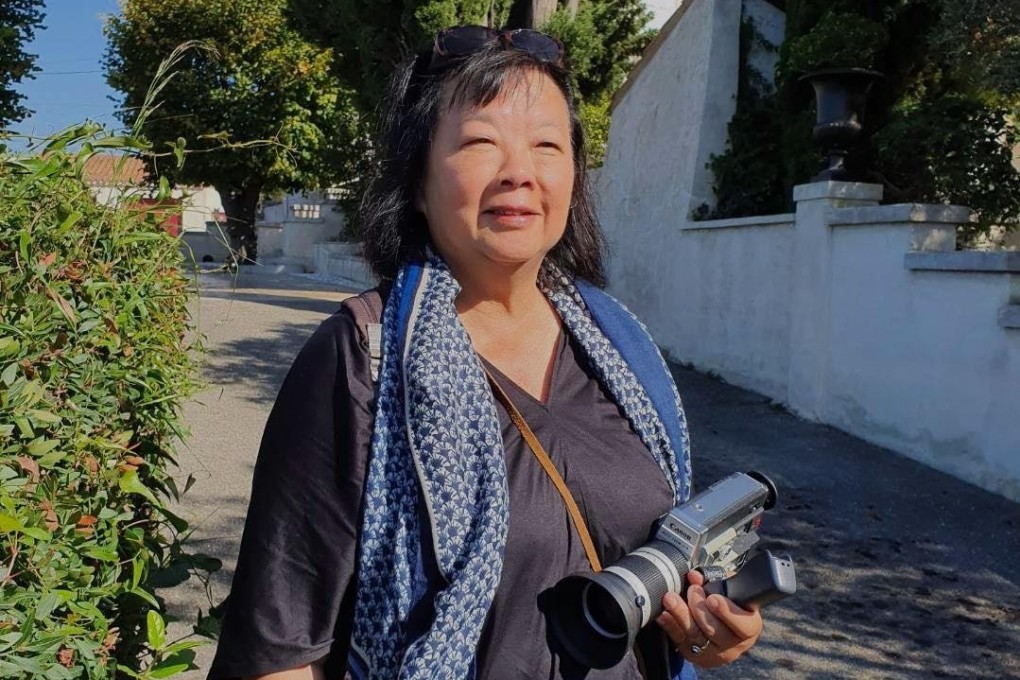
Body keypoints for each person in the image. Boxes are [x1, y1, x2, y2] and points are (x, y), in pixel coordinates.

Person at [207, 25, 764, 680]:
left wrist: (709, 635)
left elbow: (670, 571)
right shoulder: (360, 359)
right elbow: (278, 656)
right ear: (417, 182)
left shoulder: (622, 346)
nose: (519, 173)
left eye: (546, 146)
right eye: (480, 143)